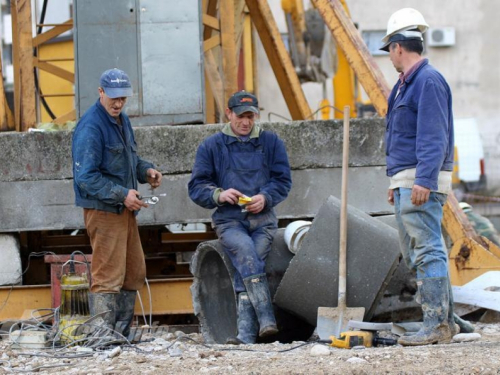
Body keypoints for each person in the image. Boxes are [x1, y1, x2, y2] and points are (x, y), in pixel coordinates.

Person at [381, 8, 466, 346]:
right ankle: (446, 321)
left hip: (420, 180)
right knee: (416, 251)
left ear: (399, 47)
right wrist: (395, 182)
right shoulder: (404, 86)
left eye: (389, 48)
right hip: (407, 179)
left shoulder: (427, 81)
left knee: (428, 249)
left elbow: (433, 135)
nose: (389, 56)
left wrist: (424, 180)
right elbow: (402, 138)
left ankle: (436, 325)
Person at [188, 91, 292, 344]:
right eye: (240, 116)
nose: (245, 122)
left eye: (250, 116)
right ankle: (266, 318)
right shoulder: (211, 146)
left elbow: (282, 181)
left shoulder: (271, 142)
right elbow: (196, 186)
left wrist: (265, 198)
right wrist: (219, 195)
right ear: (228, 114)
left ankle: (245, 336)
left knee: (247, 264)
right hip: (230, 221)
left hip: (263, 221)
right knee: (246, 253)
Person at [72, 68, 162, 338]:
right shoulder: (90, 126)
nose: (118, 103)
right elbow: (85, 177)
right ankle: (101, 334)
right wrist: (123, 194)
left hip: (123, 209)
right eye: (113, 97)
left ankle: (120, 332)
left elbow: (129, 161)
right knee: (108, 274)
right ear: (100, 92)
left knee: (133, 271)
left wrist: (146, 171)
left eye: (123, 97)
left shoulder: (122, 120)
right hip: (103, 210)